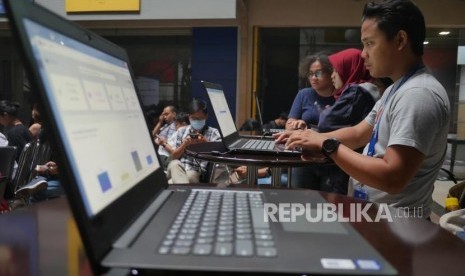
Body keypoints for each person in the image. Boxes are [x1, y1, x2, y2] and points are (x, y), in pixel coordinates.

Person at [276, 0, 450, 219]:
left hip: (397, 224)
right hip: (375, 215)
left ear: (400, 40)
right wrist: (311, 137)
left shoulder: (418, 94)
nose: (363, 54)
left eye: (369, 43)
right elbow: (359, 134)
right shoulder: (395, 89)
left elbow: (392, 178)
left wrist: (328, 146)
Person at [291, 48, 376, 193]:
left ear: (348, 69)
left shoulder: (355, 92)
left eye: (336, 70)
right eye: (310, 74)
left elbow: (327, 122)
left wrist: (314, 131)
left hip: (337, 163)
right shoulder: (362, 90)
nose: (333, 76)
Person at [166, 99, 221, 183]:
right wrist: (184, 144)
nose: (196, 121)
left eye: (199, 118)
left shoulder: (213, 133)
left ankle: (181, 192)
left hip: (196, 171)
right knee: (174, 164)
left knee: (174, 182)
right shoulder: (182, 131)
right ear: (189, 117)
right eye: (193, 118)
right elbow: (174, 156)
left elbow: (221, 153)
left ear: (206, 116)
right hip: (177, 167)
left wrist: (205, 142)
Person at [286, 52, 336, 130]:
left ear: (331, 73)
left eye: (318, 73)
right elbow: (289, 124)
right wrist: (296, 124)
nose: (313, 78)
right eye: (310, 73)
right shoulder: (303, 94)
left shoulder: (342, 95)